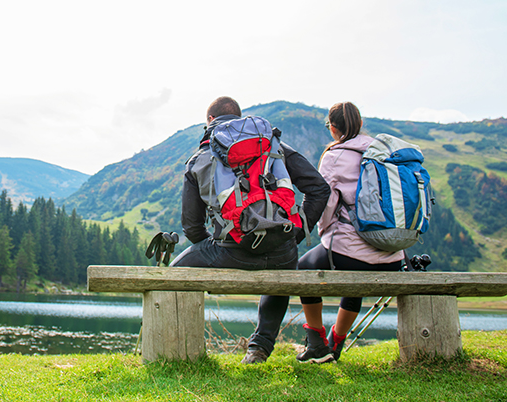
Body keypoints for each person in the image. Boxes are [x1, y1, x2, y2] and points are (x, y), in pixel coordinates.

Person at [170, 96, 329, 364]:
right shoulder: (272, 145)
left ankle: (179, 350)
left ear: (210, 121)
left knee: (173, 275)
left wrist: (222, 242)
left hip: (232, 250)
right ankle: (259, 348)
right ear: (240, 117)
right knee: (282, 271)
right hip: (283, 250)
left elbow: (192, 227)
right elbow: (319, 188)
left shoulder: (201, 156)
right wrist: (294, 235)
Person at [294, 101, 406, 364]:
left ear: (332, 128)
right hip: (393, 256)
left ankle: (316, 343)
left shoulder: (335, 156)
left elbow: (326, 204)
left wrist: (328, 235)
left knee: (302, 270)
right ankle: (336, 343)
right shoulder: (387, 154)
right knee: (355, 276)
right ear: (361, 124)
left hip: (349, 253)